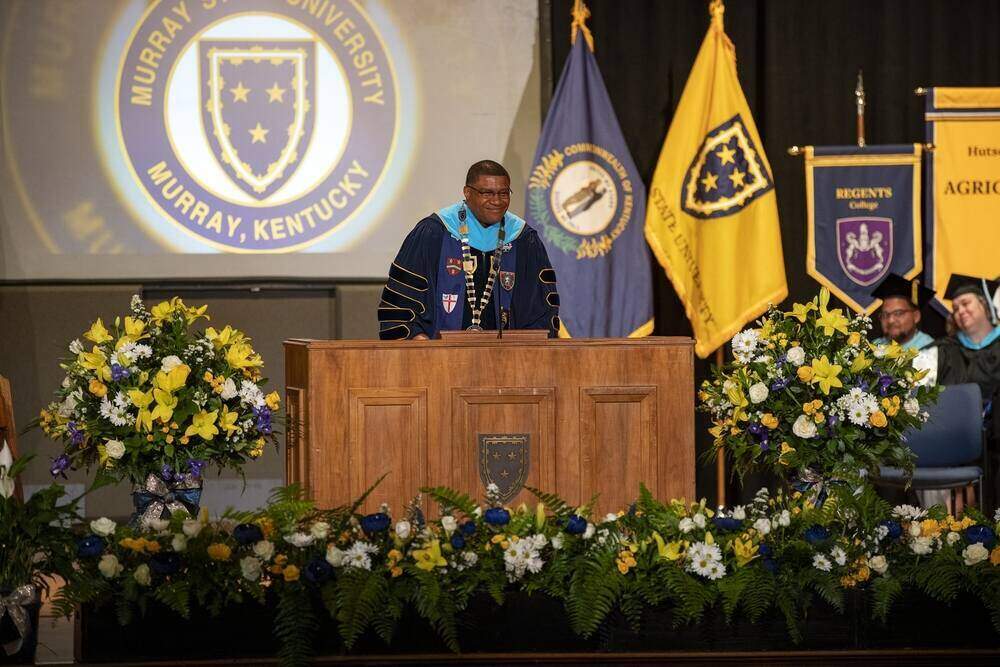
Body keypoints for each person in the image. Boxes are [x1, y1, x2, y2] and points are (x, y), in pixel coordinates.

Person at [378, 160, 560, 340]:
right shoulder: (433, 234)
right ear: (467, 193)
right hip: (439, 361)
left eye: (503, 193)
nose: (496, 201)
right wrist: (419, 342)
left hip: (506, 360)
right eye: (487, 193)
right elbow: (401, 303)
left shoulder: (523, 239)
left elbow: (542, 311)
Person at [935, 273, 1000, 510]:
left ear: (984, 304)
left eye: (966, 303)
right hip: (960, 445)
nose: (960, 311)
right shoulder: (944, 351)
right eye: (955, 307)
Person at [870, 273, 937, 383]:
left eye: (898, 313)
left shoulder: (928, 348)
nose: (890, 320)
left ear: (916, 316)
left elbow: (923, 392)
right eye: (885, 315)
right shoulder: (874, 346)